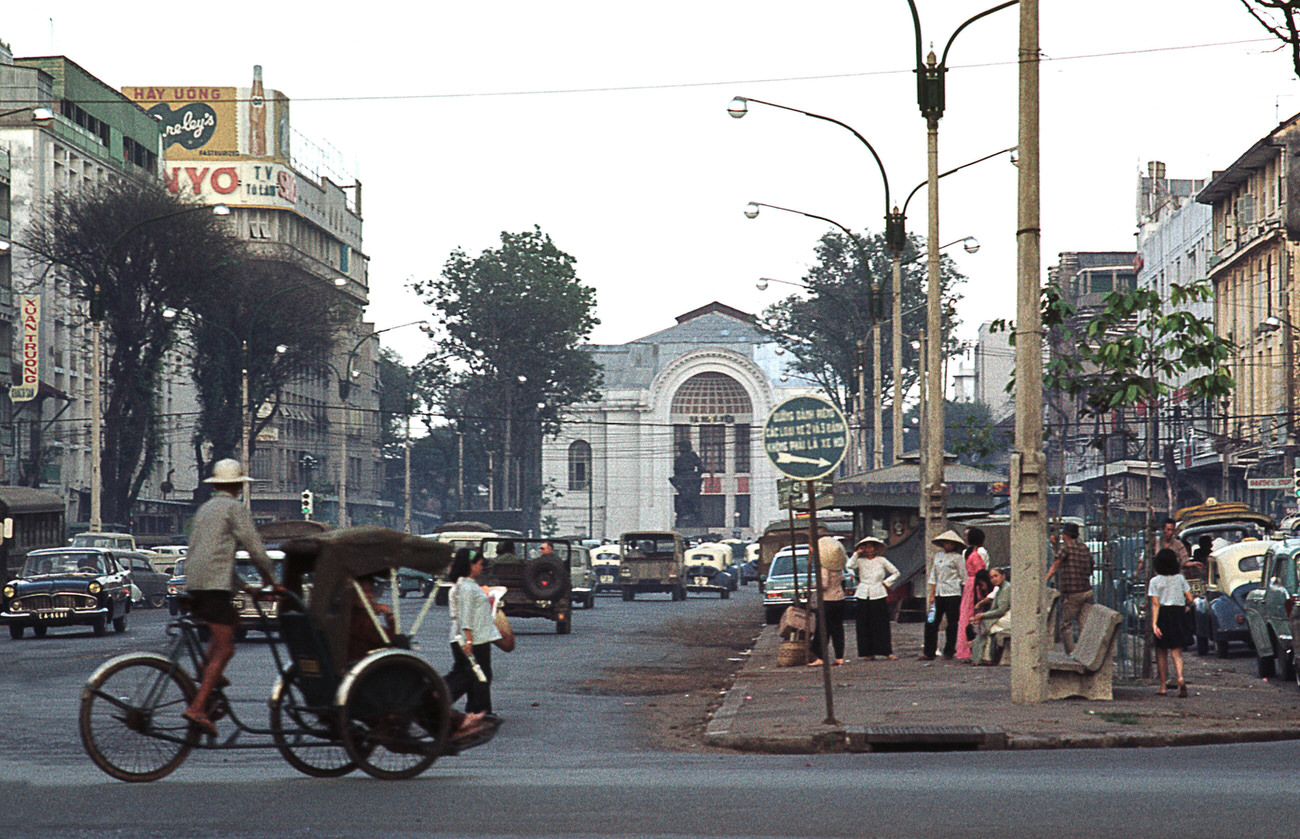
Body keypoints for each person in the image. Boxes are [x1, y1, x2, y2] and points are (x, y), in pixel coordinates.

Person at [182, 459, 279, 736]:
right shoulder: (235, 509)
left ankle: (206, 672)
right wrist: (273, 583)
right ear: (238, 485)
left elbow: (214, 556)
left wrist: (245, 587)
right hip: (213, 588)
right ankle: (198, 707)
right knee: (226, 649)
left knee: (231, 622)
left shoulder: (205, 509)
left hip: (195, 583)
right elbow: (257, 552)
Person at [349, 571, 487, 739]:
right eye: (364, 591)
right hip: (368, 676)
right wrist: (389, 616)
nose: (370, 596)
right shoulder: (359, 621)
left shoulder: (349, 618)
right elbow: (389, 640)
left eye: (370, 591)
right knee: (416, 683)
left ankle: (451, 721)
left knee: (415, 682)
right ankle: (454, 722)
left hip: (362, 671)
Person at [444, 548, 502, 714]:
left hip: (475, 636)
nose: (481, 567)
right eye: (479, 564)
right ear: (470, 565)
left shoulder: (468, 585)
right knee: (475, 675)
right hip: (473, 639)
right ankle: (479, 710)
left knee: (475, 675)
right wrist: (468, 640)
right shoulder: (467, 587)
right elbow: (466, 614)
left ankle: (478, 709)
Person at [1149, 547, 1194, 697]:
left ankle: (1162, 686)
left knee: (1161, 652)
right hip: (1178, 613)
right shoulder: (1180, 578)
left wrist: (1154, 624)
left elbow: (1155, 604)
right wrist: (1184, 606)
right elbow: (1190, 598)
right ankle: (1180, 677)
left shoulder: (1154, 581)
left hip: (1163, 615)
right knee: (1177, 652)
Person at [847, 536, 900, 660]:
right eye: (866, 547)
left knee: (881, 624)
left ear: (875, 548)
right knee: (864, 624)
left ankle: (886, 651)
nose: (869, 549)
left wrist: (885, 583)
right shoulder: (860, 561)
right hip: (863, 593)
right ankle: (868, 653)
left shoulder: (882, 560)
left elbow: (896, 572)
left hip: (878, 592)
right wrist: (856, 553)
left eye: (871, 547)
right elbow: (849, 566)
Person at [1046, 521, 1094, 654]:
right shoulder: (1084, 547)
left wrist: (1045, 579)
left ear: (1066, 535)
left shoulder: (1066, 547)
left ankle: (1071, 653)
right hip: (1087, 590)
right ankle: (1085, 653)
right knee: (1083, 624)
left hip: (1073, 593)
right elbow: (1091, 566)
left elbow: (1056, 565)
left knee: (1066, 625)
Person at [922, 529, 966, 661]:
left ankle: (949, 651)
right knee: (931, 621)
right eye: (946, 543)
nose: (948, 546)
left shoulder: (958, 558)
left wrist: (964, 596)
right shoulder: (938, 556)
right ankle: (929, 652)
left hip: (953, 593)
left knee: (952, 623)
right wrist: (931, 595)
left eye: (951, 544)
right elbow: (933, 577)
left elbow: (963, 577)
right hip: (938, 593)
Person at [808, 535, 847, 667]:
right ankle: (839, 656)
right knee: (837, 629)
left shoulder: (824, 568)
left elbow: (823, 585)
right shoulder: (838, 568)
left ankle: (820, 656)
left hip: (827, 600)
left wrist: (814, 585)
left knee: (822, 629)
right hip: (839, 598)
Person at [955, 527, 989, 661]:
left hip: (973, 582)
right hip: (973, 582)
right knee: (969, 612)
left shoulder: (976, 552)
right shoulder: (970, 552)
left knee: (970, 612)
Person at [971, 566, 1011, 665]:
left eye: (996, 576)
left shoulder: (1007, 588)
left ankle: (985, 657)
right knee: (985, 624)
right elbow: (994, 609)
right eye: (991, 577)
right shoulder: (999, 589)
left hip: (1010, 617)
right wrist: (981, 616)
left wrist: (983, 616)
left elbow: (1001, 610)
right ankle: (984, 657)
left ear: (1002, 576)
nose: (994, 579)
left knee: (988, 627)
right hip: (1004, 615)